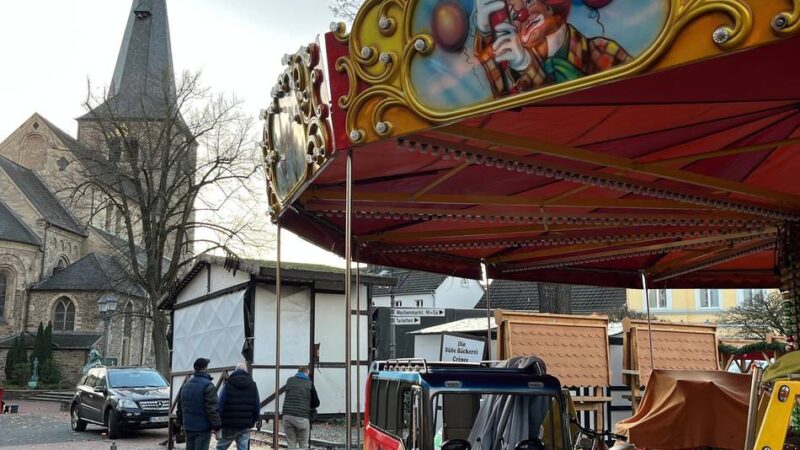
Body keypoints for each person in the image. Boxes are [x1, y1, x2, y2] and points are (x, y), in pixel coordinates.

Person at [474, 0, 631, 96]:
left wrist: (529, 69)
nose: (522, 16)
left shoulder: (602, 51)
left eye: (529, 1)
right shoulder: (515, 69)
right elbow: (507, 112)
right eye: (514, 16)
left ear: (549, 6)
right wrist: (487, 33)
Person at [176, 357, 222, 450]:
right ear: (205, 369)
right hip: (202, 428)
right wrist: (217, 426)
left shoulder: (185, 385)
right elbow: (212, 409)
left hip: (188, 427)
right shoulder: (208, 385)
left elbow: (180, 406)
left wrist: (180, 423)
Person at [216, 362, 260, 450]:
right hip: (245, 425)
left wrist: (218, 423)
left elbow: (220, 404)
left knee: (220, 448)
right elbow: (256, 405)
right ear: (246, 371)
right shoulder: (253, 385)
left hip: (229, 425)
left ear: (235, 370)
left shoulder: (227, 385)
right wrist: (253, 421)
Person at [282, 367, 320, 449]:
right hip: (302, 417)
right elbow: (316, 402)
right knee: (303, 444)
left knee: (291, 443)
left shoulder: (290, 380)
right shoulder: (309, 383)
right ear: (307, 373)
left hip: (287, 416)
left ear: (298, 372)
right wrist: (307, 406)